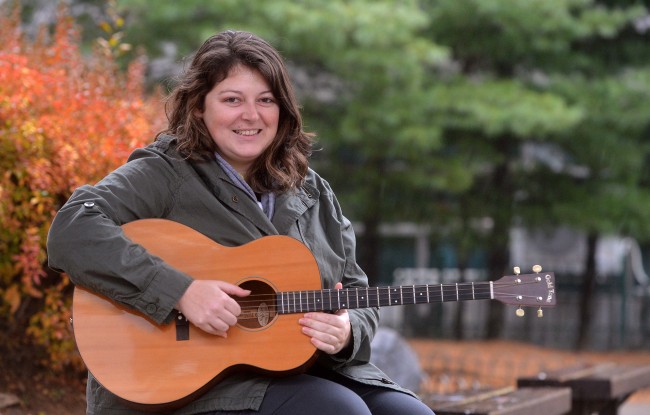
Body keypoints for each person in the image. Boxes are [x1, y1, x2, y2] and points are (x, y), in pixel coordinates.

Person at [47, 30, 435, 415]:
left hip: (307, 369)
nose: (251, 116)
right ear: (199, 106)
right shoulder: (163, 173)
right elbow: (73, 229)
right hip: (193, 386)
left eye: (266, 100)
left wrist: (349, 330)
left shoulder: (312, 190)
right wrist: (180, 292)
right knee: (339, 410)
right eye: (232, 100)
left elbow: (355, 289)